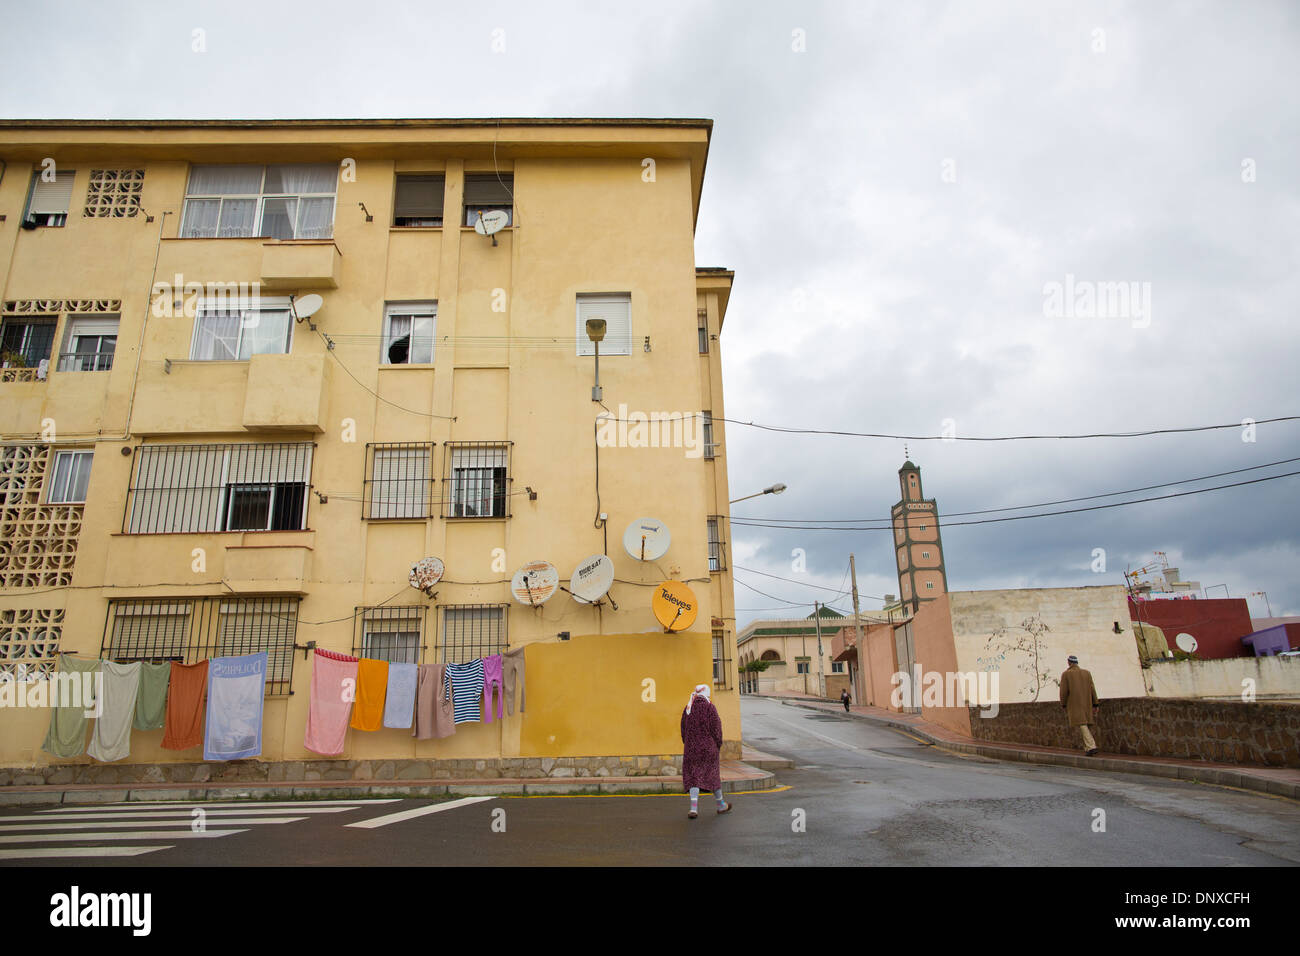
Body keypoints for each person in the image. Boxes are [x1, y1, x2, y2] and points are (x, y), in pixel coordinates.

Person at [680, 683, 730, 819]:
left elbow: (683, 729)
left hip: (691, 749)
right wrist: (717, 744)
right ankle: (720, 805)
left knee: (694, 778)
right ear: (706, 693)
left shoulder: (688, 708)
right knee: (713, 776)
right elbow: (716, 729)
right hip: (709, 748)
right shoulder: (710, 707)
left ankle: (693, 809)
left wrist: (688, 743)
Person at [1059, 654, 1100, 756]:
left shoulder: (1066, 674)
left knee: (1082, 724)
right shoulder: (1087, 673)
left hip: (1075, 704)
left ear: (1069, 662)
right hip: (1087, 703)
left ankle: (1091, 746)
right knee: (1086, 724)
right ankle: (1087, 747)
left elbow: (1064, 691)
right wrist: (1095, 703)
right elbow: (1092, 689)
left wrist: (1063, 704)